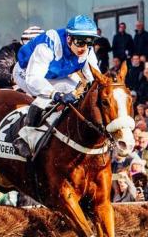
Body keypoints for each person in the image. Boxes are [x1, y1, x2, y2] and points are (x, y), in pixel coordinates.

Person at [11, 15, 99, 158]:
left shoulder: (86, 49)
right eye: (80, 41)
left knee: (78, 93)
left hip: (56, 74)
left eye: (90, 42)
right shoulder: (47, 45)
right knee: (47, 96)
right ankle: (25, 138)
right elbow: (34, 79)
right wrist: (55, 94)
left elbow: (95, 77)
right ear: (69, 38)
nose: (84, 47)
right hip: (26, 72)